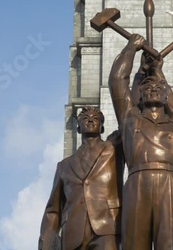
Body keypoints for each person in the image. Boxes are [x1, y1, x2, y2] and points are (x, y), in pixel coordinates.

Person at [108, 34, 173, 250]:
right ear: (140, 96)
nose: (152, 89)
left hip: (171, 186)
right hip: (137, 183)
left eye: (159, 88)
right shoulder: (129, 120)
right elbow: (117, 81)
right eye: (146, 88)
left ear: (166, 97)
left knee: (170, 244)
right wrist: (131, 49)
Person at [38, 107, 122, 250]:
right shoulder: (63, 166)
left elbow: (129, 116)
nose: (90, 120)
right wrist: (46, 242)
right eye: (85, 118)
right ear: (78, 127)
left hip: (108, 228)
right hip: (73, 233)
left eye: (95, 118)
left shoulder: (114, 148)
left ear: (102, 127)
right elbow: (53, 210)